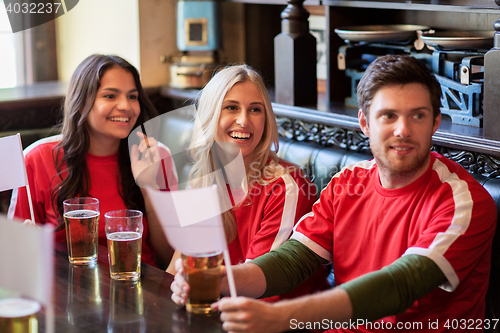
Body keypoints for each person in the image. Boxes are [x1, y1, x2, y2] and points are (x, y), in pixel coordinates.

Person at [171, 55, 497, 332]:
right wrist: (218, 279)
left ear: (436, 122)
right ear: (365, 123)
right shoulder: (347, 184)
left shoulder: (464, 202)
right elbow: (292, 261)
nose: (403, 129)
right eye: (388, 116)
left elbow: (401, 285)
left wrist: (281, 317)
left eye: (418, 116)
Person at [167, 64, 330, 301]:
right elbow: (178, 268)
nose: (244, 120)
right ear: (210, 116)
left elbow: (262, 287)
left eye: (255, 110)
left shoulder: (285, 186)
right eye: (231, 107)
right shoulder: (204, 180)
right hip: (220, 309)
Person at [8, 54, 177, 267]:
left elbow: (170, 254)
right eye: (110, 96)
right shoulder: (37, 158)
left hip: (138, 285)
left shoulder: (156, 155)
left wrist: (149, 187)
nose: (125, 106)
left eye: (132, 97)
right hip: (64, 290)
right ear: (81, 103)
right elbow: (12, 252)